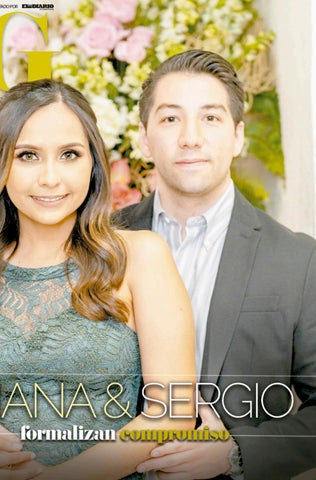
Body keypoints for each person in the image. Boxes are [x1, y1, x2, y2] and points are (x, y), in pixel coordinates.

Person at [0, 79, 197, 480]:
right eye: (28, 156)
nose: (50, 178)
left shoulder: (141, 257)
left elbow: (173, 412)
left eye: (69, 154)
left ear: (93, 163)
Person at [113, 49, 316, 480]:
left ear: (238, 136)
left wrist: (236, 453)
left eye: (210, 117)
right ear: (144, 138)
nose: (190, 137)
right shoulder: (99, 244)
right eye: (171, 118)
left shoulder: (298, 261)